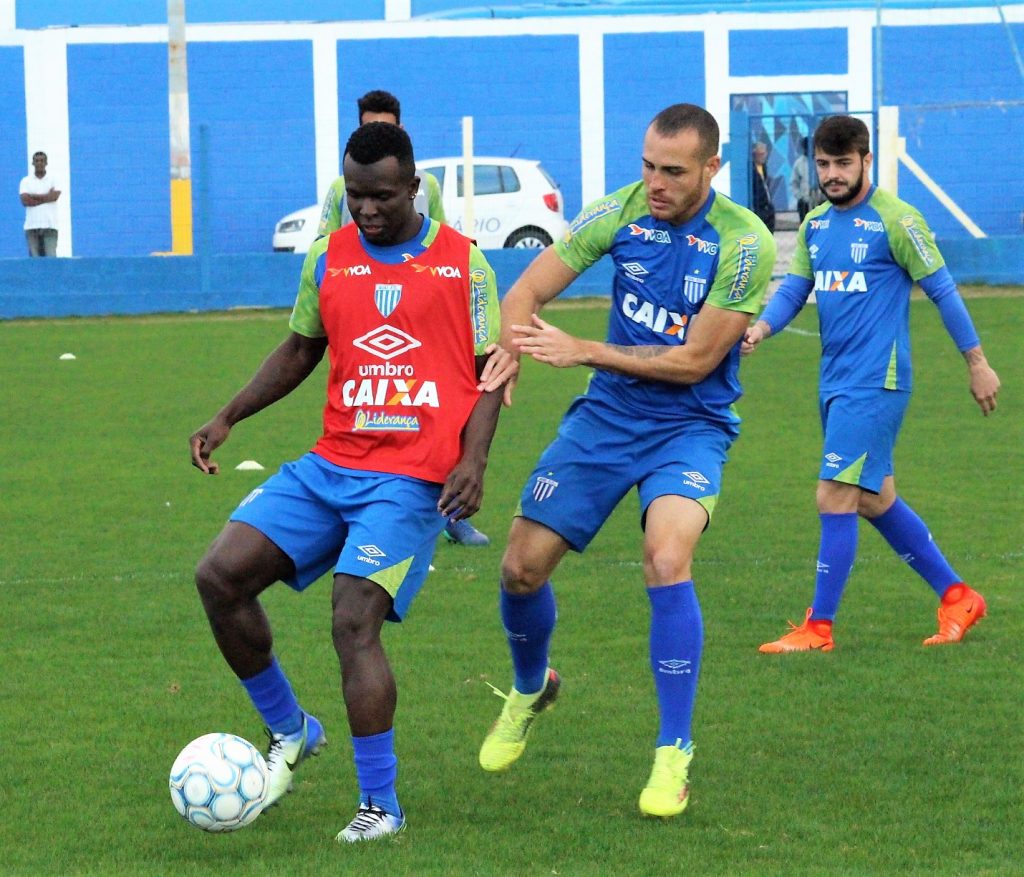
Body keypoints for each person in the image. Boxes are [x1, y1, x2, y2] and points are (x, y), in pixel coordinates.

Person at [190, 122, 512, 842]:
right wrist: (228, 416)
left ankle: (380, 804)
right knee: (219, 575)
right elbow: (302, 347)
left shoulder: (465, 264)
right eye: (354, 195)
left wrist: (474, 460)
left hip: (410, 475)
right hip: (331, 465)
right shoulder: (329, 258)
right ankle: (292, 728)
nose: (365, 210)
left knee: (351, 618)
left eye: (380, 196)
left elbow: (494, 370)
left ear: (414, 185)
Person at [476, 103, 775, 818]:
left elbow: (697, 361)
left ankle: (673, 751)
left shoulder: (743, 242)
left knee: (666, 557)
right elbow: (526, 290)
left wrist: (583, 349)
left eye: (673, 171)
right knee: (520, 566)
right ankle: (530, 686)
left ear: (711, 168)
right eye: (647, 165)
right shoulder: (620, 211)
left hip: (691, 422)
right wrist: (509, 344)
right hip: (607, 418)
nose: (655, 182)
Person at [743, 114, 1000, 653]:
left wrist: (976, 362)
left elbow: (945, 291)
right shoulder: (815, 225)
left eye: (842, 164)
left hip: (877, 382)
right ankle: (957, 596)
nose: (832, 175)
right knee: (874, 499)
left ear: (865, 160)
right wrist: (762, 326)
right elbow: (796, 289)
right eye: (823, 164)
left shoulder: (897, 221)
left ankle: (818, 628)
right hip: (834, 381)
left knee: (834, 494)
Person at [318, 89, 488, 548]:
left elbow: (441, 235)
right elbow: (329, 244)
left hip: (420, 299)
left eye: (391, 127)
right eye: (358, 197)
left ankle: (447, 512)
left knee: (431, 403)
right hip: (358, 298)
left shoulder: (427, 187)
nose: (367, 207)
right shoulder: (338, 192)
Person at [19, 151, 61, 257]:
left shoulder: (54, 179)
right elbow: (25, 201)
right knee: (35, 263)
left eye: (42, 161)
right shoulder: (25, 181)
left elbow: (54, 197)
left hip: (50, 226)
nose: (39, 163)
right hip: (31, 227)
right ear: (33, 163)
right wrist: (47, 196)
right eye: (37, 161)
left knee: (51, 261)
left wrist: (33, 195)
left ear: (46, 163)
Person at [790, 135, 823, 222]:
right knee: (805, 227)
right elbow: (794, 182)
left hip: (821, 201)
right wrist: (800, 196)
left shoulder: (821, 161)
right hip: (804, 202)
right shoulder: (799, 163)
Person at [751, 141, 776, 233]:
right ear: (754, 154)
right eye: (760, 154)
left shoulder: (763, 167)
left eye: (765, 153)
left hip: (767, 206)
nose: (763, 156)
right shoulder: (751, 169)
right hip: (758, 207)